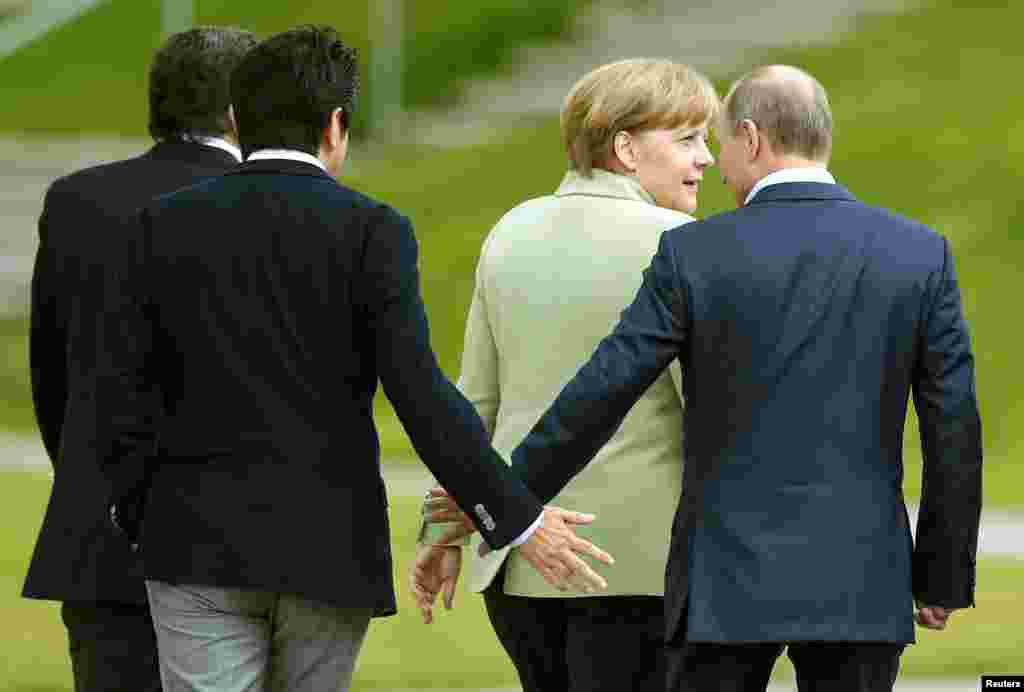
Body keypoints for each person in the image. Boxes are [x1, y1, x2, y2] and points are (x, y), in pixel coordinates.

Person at [96, 25, 611, 692]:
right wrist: (516, 516)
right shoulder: (372, 230)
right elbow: (419, 397)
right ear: (336, 125)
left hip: (191, 539)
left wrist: (140, 511)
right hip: (327, 546)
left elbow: (118, 395)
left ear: (236, 119)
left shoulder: (157, 225)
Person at [465, 64, 981, 692]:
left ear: (751, 138)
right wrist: (943, 574)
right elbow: (951, 424)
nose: (714, 162)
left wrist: (504, 502)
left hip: (725, 583)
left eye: (719, 143)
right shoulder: (919, 252)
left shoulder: (696, 252)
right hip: (862, 575)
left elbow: (603, 391)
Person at [409, 59, 717, 692]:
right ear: (626, 148)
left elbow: (473, 405)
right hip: (641, 567)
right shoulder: (685, 243)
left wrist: (444, 533)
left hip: (518, 568)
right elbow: (714, 417)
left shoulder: (510, 232)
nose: (706, 158)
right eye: (687, 139)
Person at [21, 26, 258, 692]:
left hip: (98, 539)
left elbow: (53, 377)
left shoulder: (76, 202)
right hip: (238, 548)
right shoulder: (281, 209)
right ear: (241, 112)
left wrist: (95, 473)